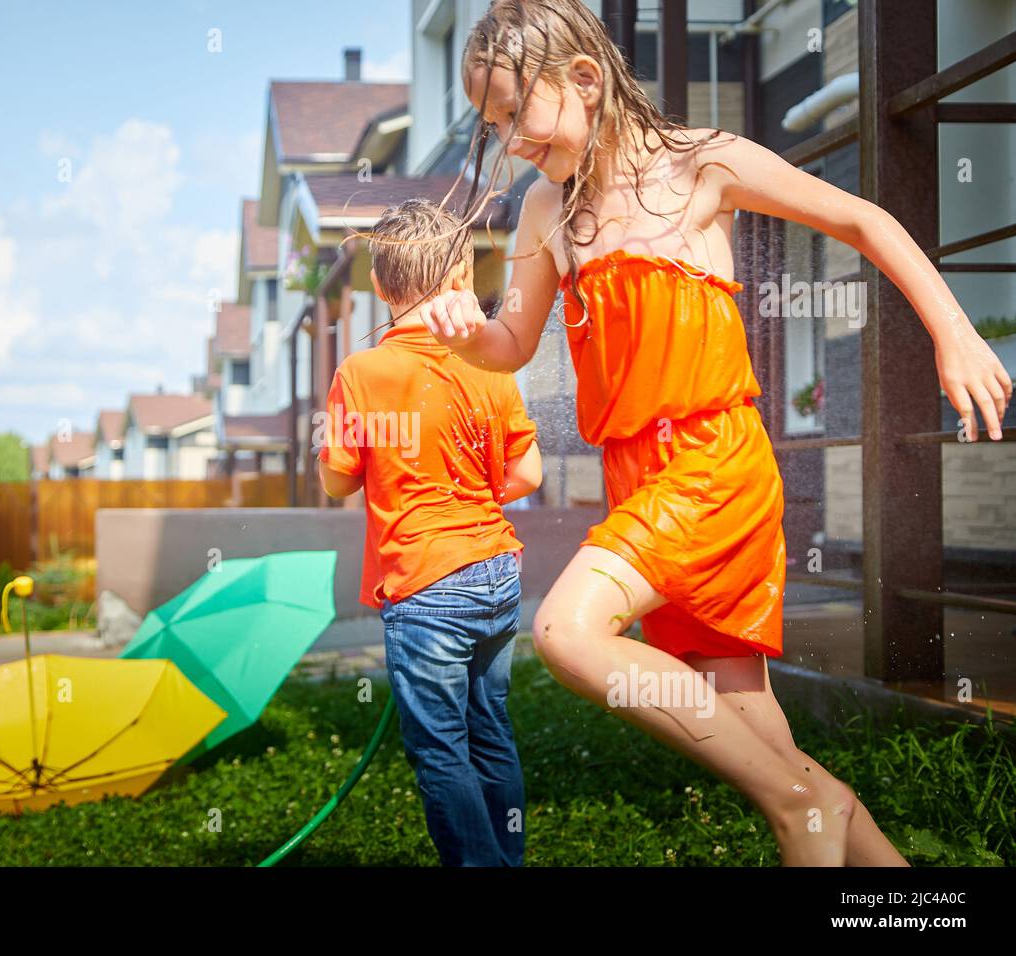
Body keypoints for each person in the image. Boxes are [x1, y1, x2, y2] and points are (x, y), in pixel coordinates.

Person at [414, 0, 1009, 866]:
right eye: (494, 124)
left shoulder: (703, 165)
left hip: (711, 465)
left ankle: (803, 804)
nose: (509, 140)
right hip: (637, 476)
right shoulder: (546, 210)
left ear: (584, 79)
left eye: (515, 112)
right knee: (750, 720)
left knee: (569, 632)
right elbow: (511, 342)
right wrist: (473, 336)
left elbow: (865, 221)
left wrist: (954, 333)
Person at [317, 197, 543, 865]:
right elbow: (527, 473)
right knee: (490, 730)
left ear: (381, 288)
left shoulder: (361, 373)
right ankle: (508, 855)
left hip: (425, 584)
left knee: (440, 747)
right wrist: (463, 492)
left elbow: (338, 481)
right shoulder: (487, 362)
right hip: (496, 574)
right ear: (458, 283)